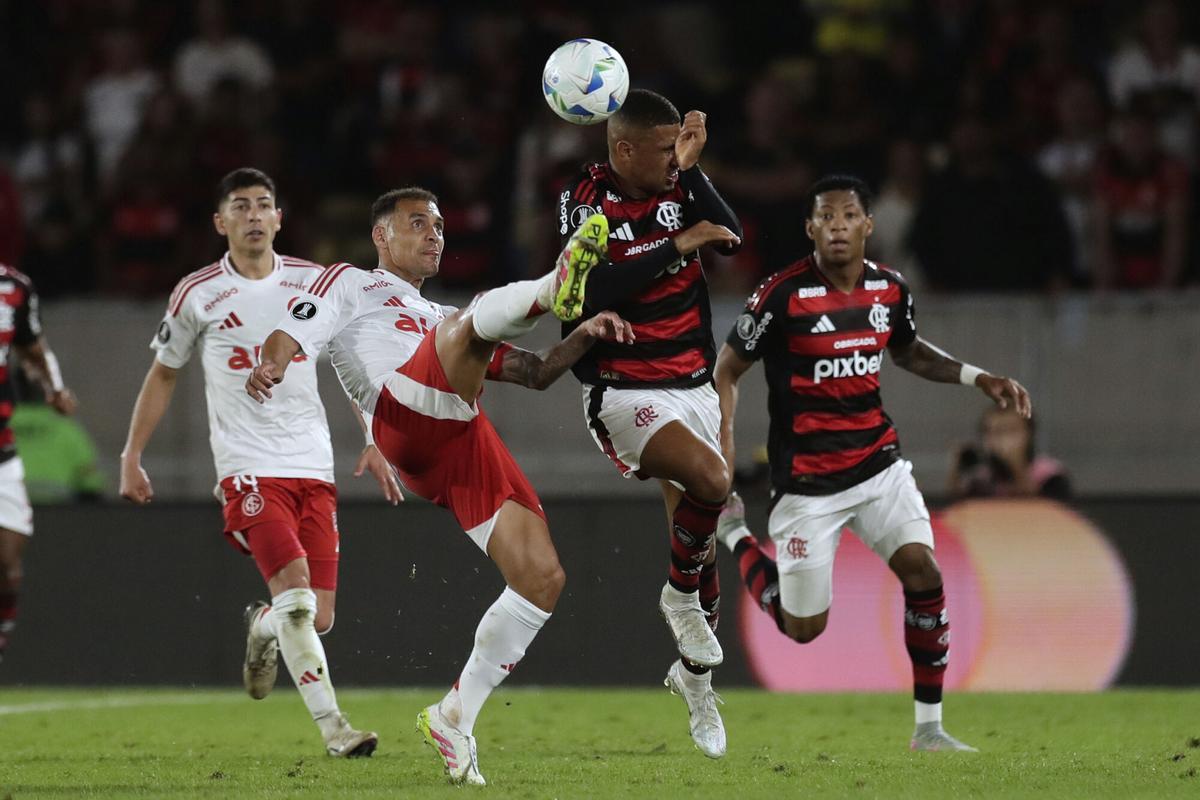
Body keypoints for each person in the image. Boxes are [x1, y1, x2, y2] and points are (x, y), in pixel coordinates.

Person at [246, 186, 630, 786]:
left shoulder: (437, 318)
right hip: (403, 417)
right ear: (381, 236)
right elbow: (294, 327)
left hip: (458, 433)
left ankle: (455, 715)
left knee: (541, 578)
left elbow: (534, 372)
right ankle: (553, 284)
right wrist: (273, 362)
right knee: (470, 324)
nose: (435, 236)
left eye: (441, 226)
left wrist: (586, 333)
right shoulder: (352, 282)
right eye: (418, 224)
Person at [714, 174, 1032, 752]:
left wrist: (975, 376)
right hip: (807, 484)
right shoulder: (780, 295)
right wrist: (725, 440)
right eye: (826, 217)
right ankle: (735, 534)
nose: (837, 226)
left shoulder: (890, 289)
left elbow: (908, 351)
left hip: (878, 466)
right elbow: (727, 368)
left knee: (924, 573)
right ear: (810, 228)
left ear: (868, 225)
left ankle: (929, 730)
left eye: (847, 216)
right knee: (803, 628)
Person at [119, 168, 394, 758]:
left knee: (317, 617)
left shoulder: (311, 283)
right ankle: (336, 730)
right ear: (220, 222)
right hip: (246, 465)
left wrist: (372, 437)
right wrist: (132, 455)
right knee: (296, 598)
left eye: (263, 204)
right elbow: (163, 374)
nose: (252, 215)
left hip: (312, 464)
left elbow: (346, 361)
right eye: (240, 206)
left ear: (279, 219)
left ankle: (262, 626)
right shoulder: (197, 293)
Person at [555, 88, 743, 759]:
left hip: (692, 384)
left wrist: (692, 172)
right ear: (624, 148)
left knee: (700, 543)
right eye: (665, 149)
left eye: (678, 148)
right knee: (713, 482)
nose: (673, 159)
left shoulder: (677, 186)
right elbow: (585, 291)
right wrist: (678, 243)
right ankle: (677, 600)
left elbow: (730, 235)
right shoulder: (585, 199)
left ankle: (696, 686)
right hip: (625, 387)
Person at [0, 264, 77, 664]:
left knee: (7, 561)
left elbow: (32, 349)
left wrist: (54, 387)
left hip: (1, 448)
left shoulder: (14, 287)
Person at [952, 407, 1070, 500]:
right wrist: (956, 472)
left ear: (1028, 433)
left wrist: (1016, 466)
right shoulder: (980, 479)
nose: (1001, 439)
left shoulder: (1050, 475)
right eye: (991, 431)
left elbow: (1055, 511)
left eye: (1009, 430)